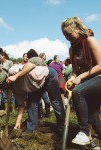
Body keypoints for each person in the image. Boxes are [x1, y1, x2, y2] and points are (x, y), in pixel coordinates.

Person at [61, 16, 101, 146]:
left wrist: (80, 77)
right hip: (88, 83)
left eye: (69, 34)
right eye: (65, 35)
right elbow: (74, 71)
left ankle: (84, 132)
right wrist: (72, 78)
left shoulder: (90, 41)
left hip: (99, 79)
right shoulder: (72, 49)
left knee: (78, 92)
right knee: (93, 118)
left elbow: (100, 65)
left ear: (77, 29)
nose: (67, 37)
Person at [6, 56, 65, 138]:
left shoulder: (12, 71)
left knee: (56, 102)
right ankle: (31, 130)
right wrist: (17, 123)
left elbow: (31, 65)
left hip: (48, 74)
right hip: (37, 84)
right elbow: (21, 106)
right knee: (32, 103)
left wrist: (16, 76)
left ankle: (63, 130)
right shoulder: (16, 90)